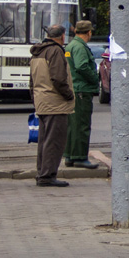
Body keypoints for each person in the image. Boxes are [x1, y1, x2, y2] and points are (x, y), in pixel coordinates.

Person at [29, 25, 74, 187]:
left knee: (44, 140)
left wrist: (35, 99)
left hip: (42, 101)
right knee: (54, 141)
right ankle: (47, 176)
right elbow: (58, 78)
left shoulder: (37, 52)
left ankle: (42, 172)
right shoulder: (55, 51)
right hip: (55, 102)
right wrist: (69, 95)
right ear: (62, 37)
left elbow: (32, 82)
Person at [64, 20, 100, 169]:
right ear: (89, 32)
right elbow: (81, 66)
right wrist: (94, 78)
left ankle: (70, 156)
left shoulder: (71, 45)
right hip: (82, 90)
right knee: (82, 125)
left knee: (73, 125)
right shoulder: (79, 47)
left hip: (75, 89)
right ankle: (80, 157)